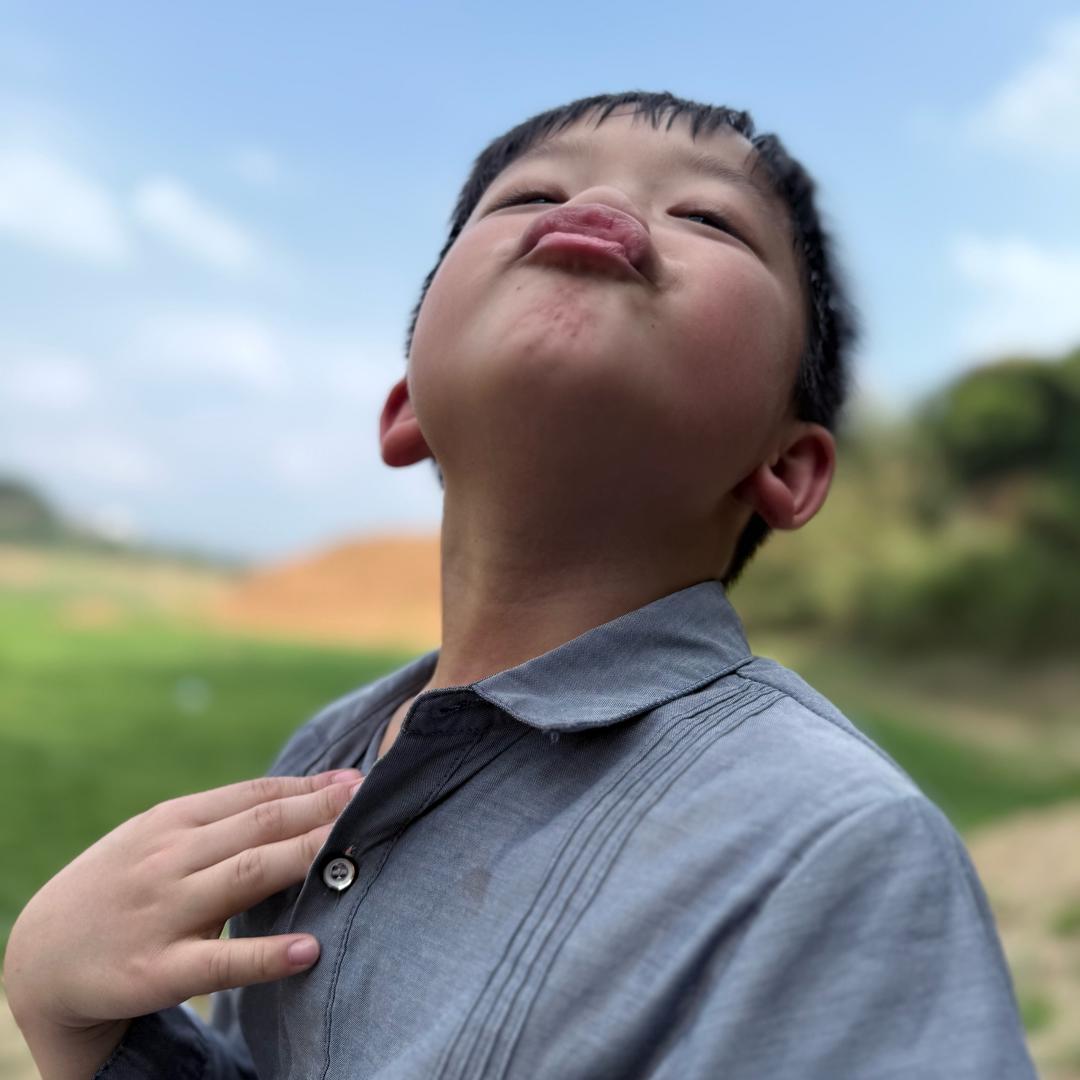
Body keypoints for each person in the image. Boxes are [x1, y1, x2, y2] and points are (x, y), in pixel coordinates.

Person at [4, 89, 1037, 1079]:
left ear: (789, 467)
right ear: (407, 406)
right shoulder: (322, 761)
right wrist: (84, 1028)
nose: (606, 207)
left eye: (709, 217)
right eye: (532, 197)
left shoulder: (836, 846)